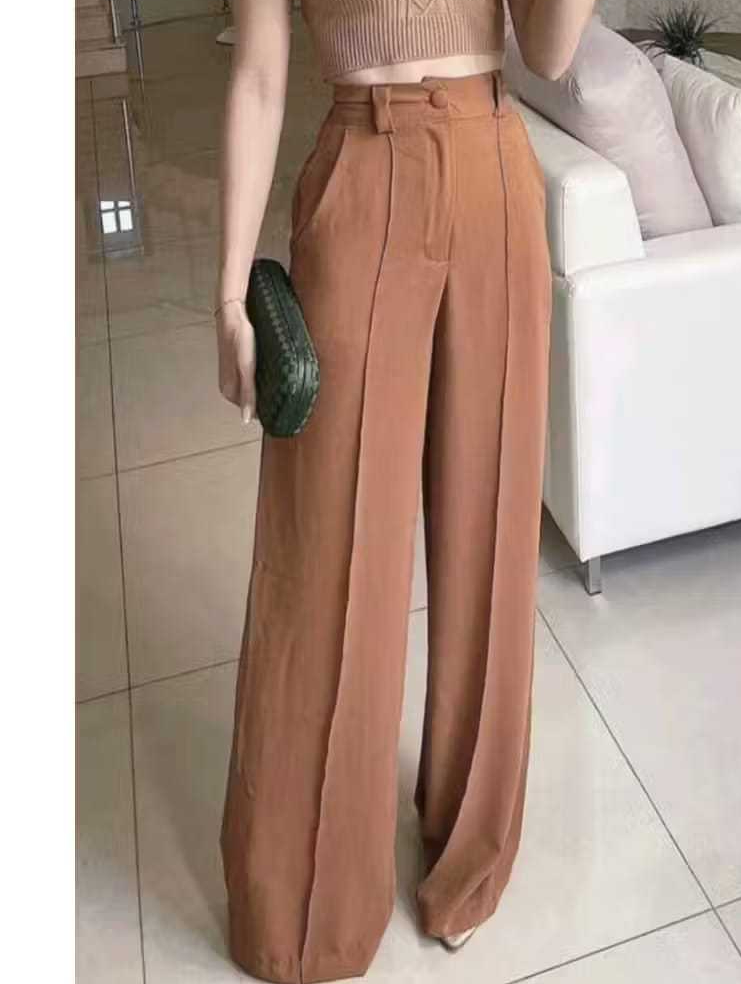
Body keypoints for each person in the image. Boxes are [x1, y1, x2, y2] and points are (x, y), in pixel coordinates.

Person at [213, 1, 594, 981]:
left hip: (493, 164)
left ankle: (468, 856)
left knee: (488, 536)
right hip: (361, 166)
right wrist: (228, 293)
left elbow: (549, 50)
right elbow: (259, 74)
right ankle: (306, 901)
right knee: (328, 547)